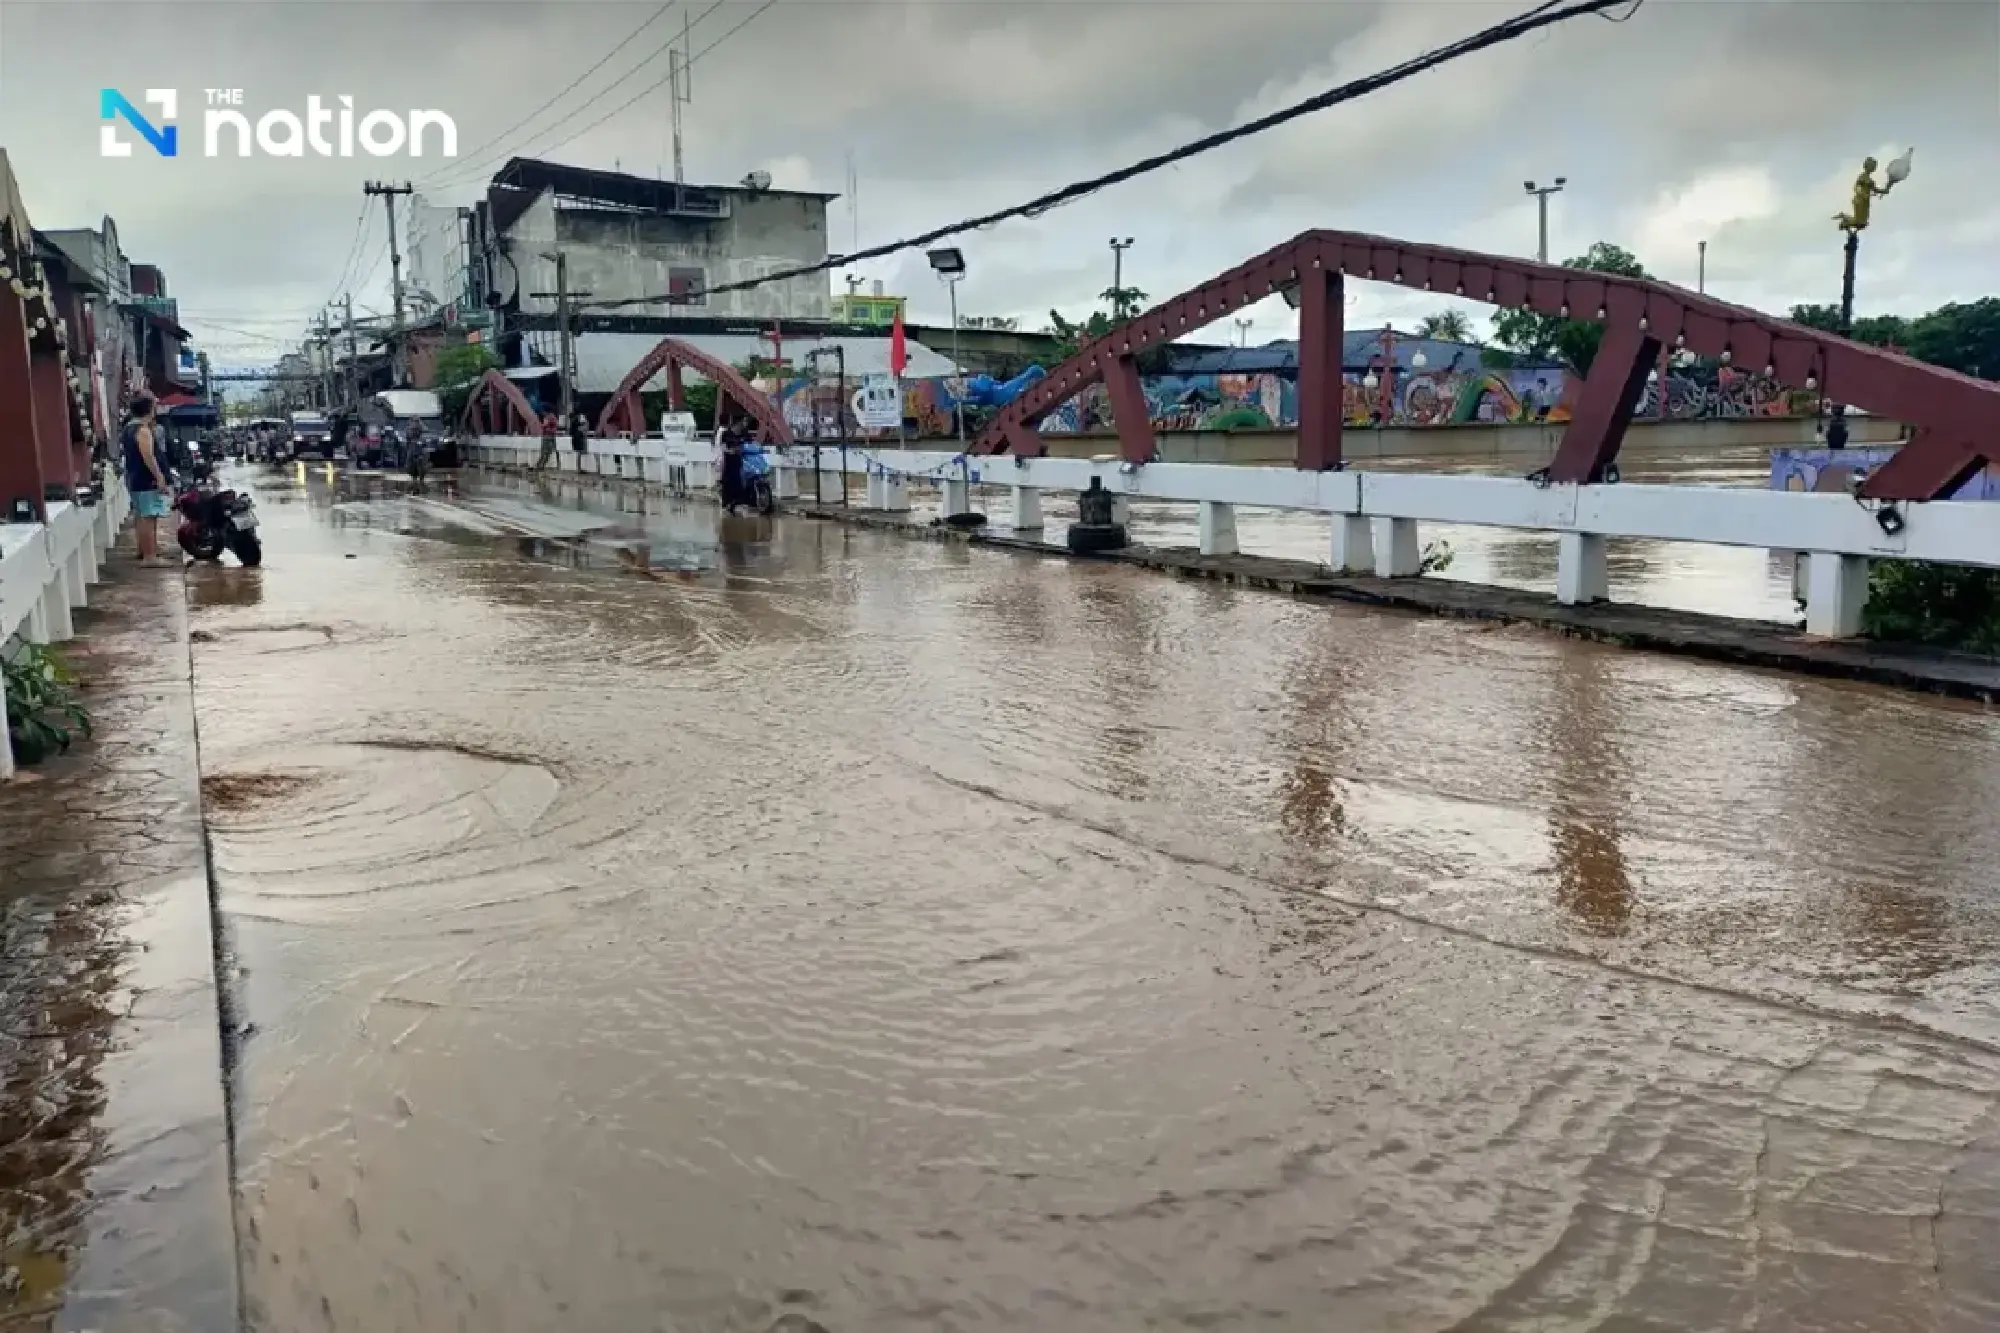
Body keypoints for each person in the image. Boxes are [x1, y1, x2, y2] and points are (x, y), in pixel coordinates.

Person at [121, 396, 174, 567]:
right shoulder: (142, 430)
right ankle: (150, 556)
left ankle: (144, 550)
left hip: (135, 478)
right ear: (149, 409)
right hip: (146, 478)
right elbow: (148, 456)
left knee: (141, 515)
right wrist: (159, 476)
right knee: (149, 516)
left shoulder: (129, 428)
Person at [718, 425, 748, 513]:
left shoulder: (743, 432)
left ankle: (736, 501)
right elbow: (723, 447)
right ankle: (728, 502)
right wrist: (730, 451)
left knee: (737, 480)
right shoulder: (726, 433)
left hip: (737, 459)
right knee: (729, 481)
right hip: (729, 460)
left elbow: (748, 443)